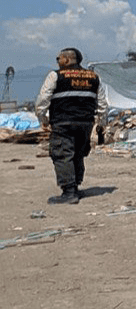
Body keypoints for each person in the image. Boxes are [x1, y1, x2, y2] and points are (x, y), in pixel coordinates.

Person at [35, 48, 108, 204]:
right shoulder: (94, 77)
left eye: (58, 58)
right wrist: (101, 124)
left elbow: (43, 100)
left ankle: (69, 192)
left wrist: (43, 118)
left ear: (67, 60)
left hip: (63, 123)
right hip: (85, 123)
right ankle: (75, 187)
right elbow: (102, 104)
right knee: (78, 154)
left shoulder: (55, 76)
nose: (57, 62)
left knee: (62, 155)